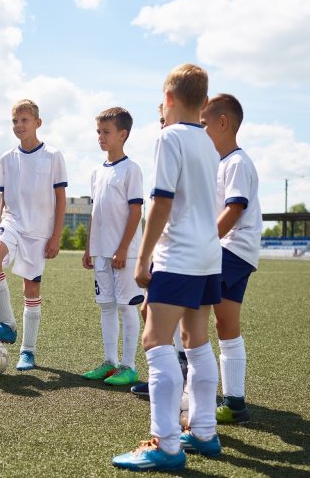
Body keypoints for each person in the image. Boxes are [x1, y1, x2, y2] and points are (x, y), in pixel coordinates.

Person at [112, 64, 222, 471]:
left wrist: (144, 256)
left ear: (170, 99)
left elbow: (161, 201)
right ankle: (205, 433)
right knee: (197, 343)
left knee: (156, 342)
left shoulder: (168, 137)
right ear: (205, 103)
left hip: (178, 257)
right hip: (210, 257)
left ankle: (167, 443)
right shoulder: (209, 143)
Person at [0, 99, 67, 371]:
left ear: (37, 123)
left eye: (24, 120)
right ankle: (7, 325)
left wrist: (55, 236)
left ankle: (27, 351)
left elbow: (60, 198)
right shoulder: (6, 158)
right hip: (12, 222)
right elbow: (4, 195)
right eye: (15, 121)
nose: (19, 125)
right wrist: (1, 220)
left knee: (31, 288)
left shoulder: (53, 155)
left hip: (39, 231)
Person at [200, 94, 262, 424]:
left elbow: (234, 209)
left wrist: (204, 243)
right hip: (238, 253)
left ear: (223, 123)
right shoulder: (221, 163)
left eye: (204, 124)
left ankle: (190, 392)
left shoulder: (236, 162)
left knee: (189, 314)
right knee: (225, 324)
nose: (200, 130)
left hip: (230, 250)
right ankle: (235, 403)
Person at [81, 107, 145, 386]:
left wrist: (122, 248)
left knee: (126, 307)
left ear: (123, 134)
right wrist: (89, 247)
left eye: (106, 132)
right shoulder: (97, 172)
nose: (100, 137)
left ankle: (129, 366)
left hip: (125, 253)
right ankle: (110, 362)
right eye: (98, 132)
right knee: (106, 306)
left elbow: (135, 212)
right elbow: (95, 213)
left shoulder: (131, 170)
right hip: (101, 251)